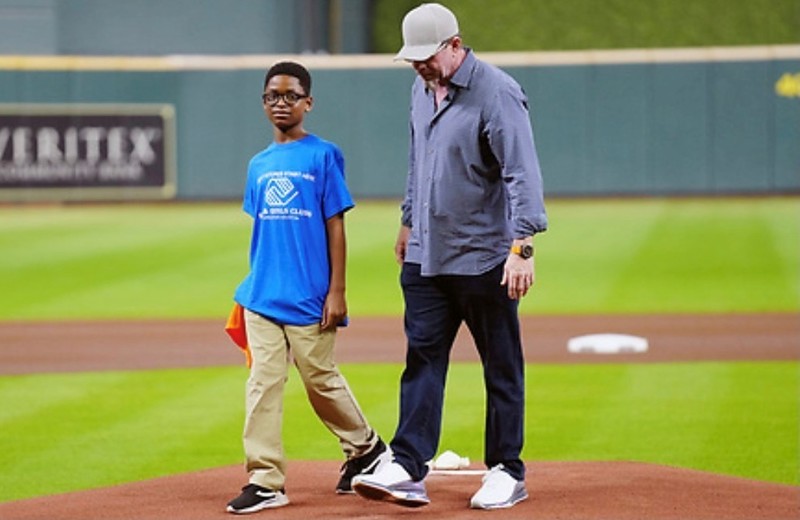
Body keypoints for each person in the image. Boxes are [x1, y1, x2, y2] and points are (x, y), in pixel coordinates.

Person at [352, 3, 547, 511]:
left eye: (427, 56)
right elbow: (420, 160)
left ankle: (506, 468)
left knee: (500, 365)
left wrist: (522, 247)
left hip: (484, 257)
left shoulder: (497, 93)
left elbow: (521, 173)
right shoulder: (421, 89)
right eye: (412, 58)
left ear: (455, 45)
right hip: (427, 258)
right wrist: (408, 221)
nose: (418, 65)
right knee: (422, 360)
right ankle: (408, 463)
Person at [226, 61, 389, 514]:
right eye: (273, 96)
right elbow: (263, 231)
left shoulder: (323, 156)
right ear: (263, 103)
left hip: (310, 298)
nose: (281, 103)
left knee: (320, 381)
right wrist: (256, 283)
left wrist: (337, 290)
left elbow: (334, 224)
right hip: (261, 296)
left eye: (291, 95)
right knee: (262, 384)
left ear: (308, 102)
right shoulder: (257, 165)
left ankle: (366, 448)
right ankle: (265, 479)